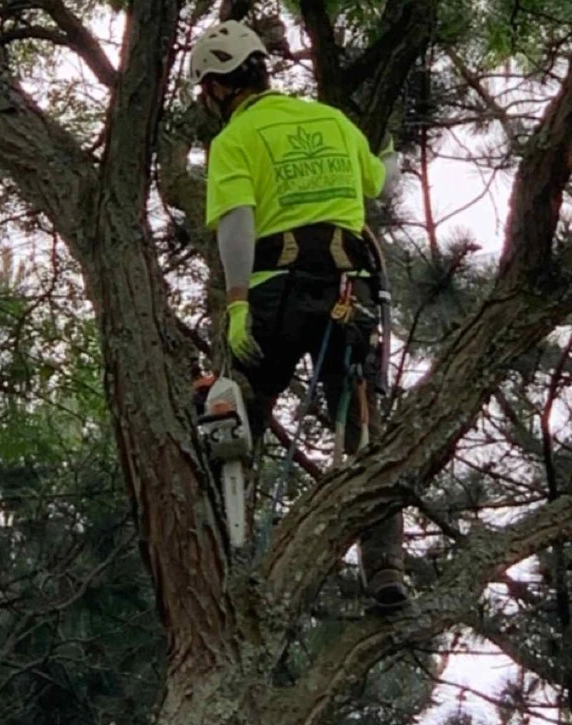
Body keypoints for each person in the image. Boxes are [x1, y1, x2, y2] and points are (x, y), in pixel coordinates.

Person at [190, 20, 406, 609]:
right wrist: (391, 155)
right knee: (360, 427)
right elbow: (382, 183)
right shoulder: (333, 122)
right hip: (347, 291)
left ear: (216, 87)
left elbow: (236, 223)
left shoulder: (235, 141)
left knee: (237, 420)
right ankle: (384, 568)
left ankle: (229, 553)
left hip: (272, 295)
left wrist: (236, 305)